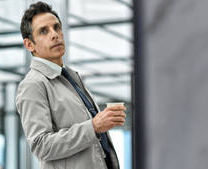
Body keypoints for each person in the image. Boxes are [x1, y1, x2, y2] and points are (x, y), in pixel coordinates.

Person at [16, 2, 126, 169]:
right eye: (43, 31)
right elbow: (40, 145)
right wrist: (94, 126)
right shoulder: (33, 85)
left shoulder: (71, 76)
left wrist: (102, 122)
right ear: (29, 45)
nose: (55, 35)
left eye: (56, 27)